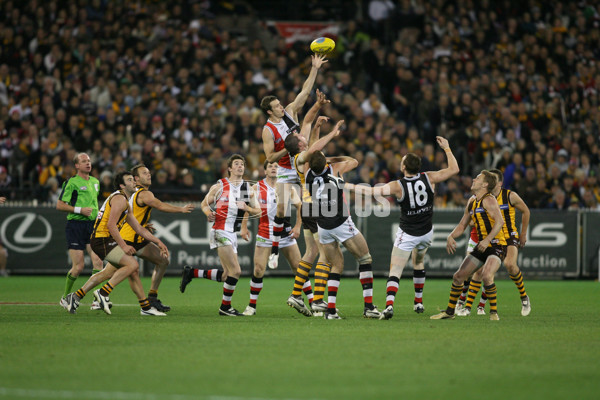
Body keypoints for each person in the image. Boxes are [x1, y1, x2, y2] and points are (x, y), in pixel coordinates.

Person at [346, 136, 459, 320]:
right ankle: (419, 301)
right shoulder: (429, 177)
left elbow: (372, 191)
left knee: (395, 271)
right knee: (419, 262)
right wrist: (447, 148)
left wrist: (349, 185)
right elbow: (454, 169)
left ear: (404, 167)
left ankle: (389, 306)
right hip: (426, 233)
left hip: (407, 234)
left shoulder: (397, 186)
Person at [64, 171, 170, 316]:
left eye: (133, 179)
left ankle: (75, 296)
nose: (134, 182)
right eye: (130, 180)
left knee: (109, 272)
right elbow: (111, 225)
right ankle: (103, 293)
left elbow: (138, 228)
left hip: (105, 239)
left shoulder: (125, 202)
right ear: (122, 185)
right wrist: (124, 245)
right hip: (102, 239)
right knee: (132, 265)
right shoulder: (119, 199)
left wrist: (158, 241)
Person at [260, 54, 327, 267]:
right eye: (277, 106)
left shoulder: (290, 112)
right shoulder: (267, 130)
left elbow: (305, 91)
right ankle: (275, 251)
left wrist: (315, 68)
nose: (282, 107)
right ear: (270, 111)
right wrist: (287, 148)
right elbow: (269, 157)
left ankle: (324, 237)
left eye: (280, 104)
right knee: (281, 210)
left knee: (311, 203)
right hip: (284, 169)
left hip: (300, 165)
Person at [179, 154, 261, 316]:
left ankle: (192, 272)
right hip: (219, 230)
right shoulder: (220, 186)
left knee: (226, 275)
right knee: (236, 271)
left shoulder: (248, 189)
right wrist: (208, 212)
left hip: (233, 233)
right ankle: (225, 307)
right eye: (236, 164)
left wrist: (247, 208)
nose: (240, 166)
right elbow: (203, 204)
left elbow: (258, 211)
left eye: (242, 164)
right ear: (229, 168)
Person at [305, 150, 381, 319]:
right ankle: (368, 306)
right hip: (340, 222)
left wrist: (323, 160)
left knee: (337, 265)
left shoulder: (308, 174)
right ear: (325, 163)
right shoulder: (335, 169)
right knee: (365, 259)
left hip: (323, 226)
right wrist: (333, 159)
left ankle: (331, 311)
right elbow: (354, 160)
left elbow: (313, 163)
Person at [284, 111, 345, 316]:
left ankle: (296, 294)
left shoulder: (302, 156)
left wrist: (317, 128)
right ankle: (318, 299)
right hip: (315, 207)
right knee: (325, 256)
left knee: (311, 252)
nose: (303, 136)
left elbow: (315, 149)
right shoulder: (300, 157)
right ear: (299, 145)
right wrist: (333, 132)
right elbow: (316, 149)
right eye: (301, 137)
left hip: (308, 206)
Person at [117, 164, 195, 312]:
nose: (149, 175)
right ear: (136, 178)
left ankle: (151, 299)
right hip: (128, 239)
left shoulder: (131, 193)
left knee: (162, 260)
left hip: (136, 237)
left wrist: (143, 225)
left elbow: (129, 215)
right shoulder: (144, 193)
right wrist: (181, 209)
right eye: (144, 173)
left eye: (148, 172)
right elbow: (159, 205)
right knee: (112, 273)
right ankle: (89, 295)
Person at [431, 170, 506, 321]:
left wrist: (487, 240)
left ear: (485, 184)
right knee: (459, 276)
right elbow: (462, 225)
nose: (473, 179)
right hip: (482, 246)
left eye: (477, 178)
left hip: (497, 245)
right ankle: (450, 312)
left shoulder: (489, 200)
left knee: (486, 275)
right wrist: (451, 236)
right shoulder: (472, 201)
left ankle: (493, 313)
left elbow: (500, 222)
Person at [456, 168, 531, 317]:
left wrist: (523, 233)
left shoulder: (510, 196)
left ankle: (524, 297)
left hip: (508, 235)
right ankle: (470, 307)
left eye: (494, 180)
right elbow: (471, 219)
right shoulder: (482, 198)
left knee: (510, 265)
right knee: (480, 272)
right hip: (490, 236)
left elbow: (526, 211)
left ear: (500, 183)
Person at [239, 160, 304, 316]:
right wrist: (243, 226)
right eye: (270, 166)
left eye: (277, 166)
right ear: (265, 171)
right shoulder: (256, 187)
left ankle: (310, 302)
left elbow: (300, 206)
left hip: (285, 233)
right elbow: (247, 207)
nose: (274, 169)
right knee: (259, 269)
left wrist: (297, 226)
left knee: (300, 268)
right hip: (265, 234)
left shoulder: (287, 187)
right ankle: (251, 306)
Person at [57, 153, 104, 309]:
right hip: (75, 225)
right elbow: (60, 205)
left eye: (89, 161)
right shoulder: (71, 182)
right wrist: (80, 210)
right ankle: (65, 297)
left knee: (98, 262)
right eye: (84, 161)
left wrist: (98, 213)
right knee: (78, 267)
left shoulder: (96, 182)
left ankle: (96, 300)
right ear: (77, 165)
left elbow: (94, 203)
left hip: (93, 226)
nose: (88, 163)